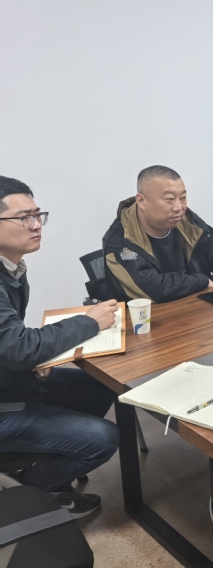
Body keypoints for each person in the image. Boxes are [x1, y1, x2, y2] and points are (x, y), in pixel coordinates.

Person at [0, 176, 119, 518]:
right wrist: (89, 322)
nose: (36, 225)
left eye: (38, 215)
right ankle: (32, 490)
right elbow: (17, 346)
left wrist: (28, 360)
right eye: (24, 217)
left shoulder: (11, 267)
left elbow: (10, 342)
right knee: (103, 438)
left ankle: (56, 460)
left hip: (11, 381)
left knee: (100, 385)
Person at [103, 165, 213, 303]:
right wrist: (202, 281)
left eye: (183, 198)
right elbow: (154, 289)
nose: (179, 207)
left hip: (196, 306)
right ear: (141, 201)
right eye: (169, 199)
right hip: (149, 316)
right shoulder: (120, 241)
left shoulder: (187, 221)